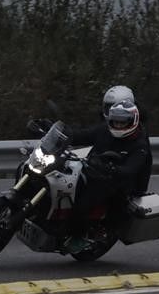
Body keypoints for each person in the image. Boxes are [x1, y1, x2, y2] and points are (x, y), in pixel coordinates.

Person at [63, 97, 153, 253]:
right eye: (115, 121)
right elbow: (82, 135)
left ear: (133, 121)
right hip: (98, 173)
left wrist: (111, 168)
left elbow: (130, 170)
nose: (117, 125)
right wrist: (62, 132)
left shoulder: (139, 145)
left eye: (122, 122)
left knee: (81, 202)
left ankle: (78, 236)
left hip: (121, 184)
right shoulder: (104, 130)